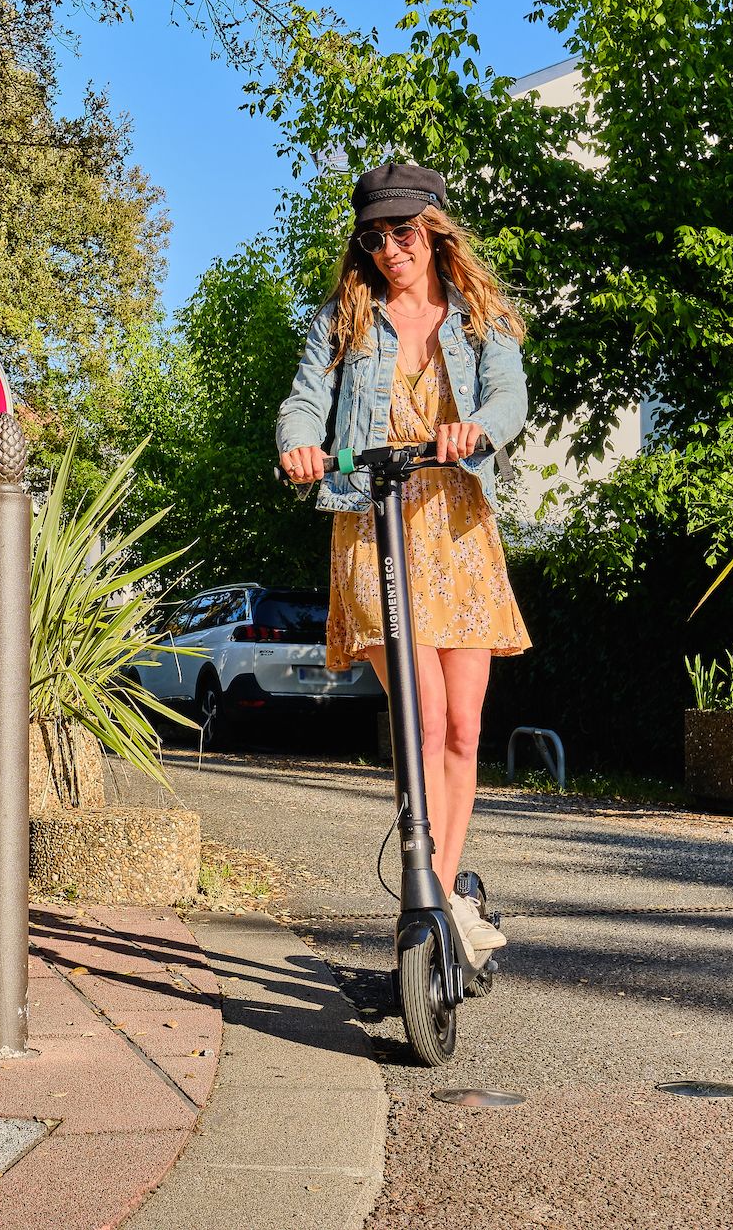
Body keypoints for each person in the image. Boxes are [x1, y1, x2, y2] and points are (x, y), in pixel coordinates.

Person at [276, 162, 531, 962]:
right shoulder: (343, 318)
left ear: (434, 229)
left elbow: (510, 397)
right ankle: (427, 902)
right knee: (420, 716)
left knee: (463, 727)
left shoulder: (478, 317)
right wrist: (299, 446)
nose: (391, 248)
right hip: (374, 524)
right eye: (376, 236)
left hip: (457, 531)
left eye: (405, 231)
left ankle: (441, 902)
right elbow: (302, 401)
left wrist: (476, 429)